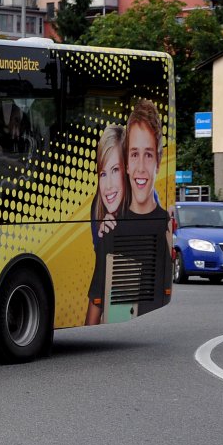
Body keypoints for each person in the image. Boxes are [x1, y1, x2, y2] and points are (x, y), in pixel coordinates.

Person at [86, 100, 171, 325]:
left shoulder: (161, 223)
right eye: (134, 155)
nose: (109, 185)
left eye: (149, 155)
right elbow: (96, 310)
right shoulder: (104, 222)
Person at [85, 124, 127, 325]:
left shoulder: (141, 206)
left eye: (115, 170)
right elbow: (97, 294)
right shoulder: (98, 208)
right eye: (103, 173)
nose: (108, 185)